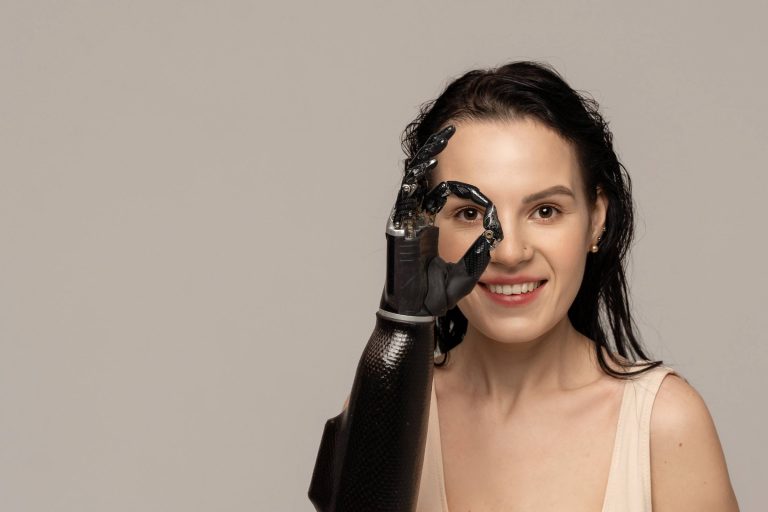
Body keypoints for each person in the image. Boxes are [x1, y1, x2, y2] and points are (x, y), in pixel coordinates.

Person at [309, 61, 739, 512]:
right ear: (427, 229)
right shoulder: (388, 407)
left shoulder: (665, 426)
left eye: (546, 211)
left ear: (597, 220)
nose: (509, 252)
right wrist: (401, 325)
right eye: (470, 213)